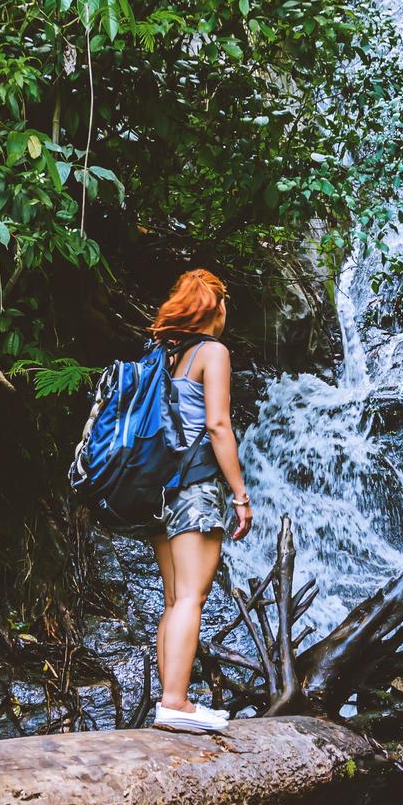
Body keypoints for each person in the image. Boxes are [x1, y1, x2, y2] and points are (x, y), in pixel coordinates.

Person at [144, 268, 253, 733]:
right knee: (192, 596)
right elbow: (218, 426)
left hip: (158, 490)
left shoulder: (164, 357)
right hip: (195, 487)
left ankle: (168, 703)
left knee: (174, 599)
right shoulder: (213, 352)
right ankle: (175, 702)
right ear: (216, 308)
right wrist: (241, 496)